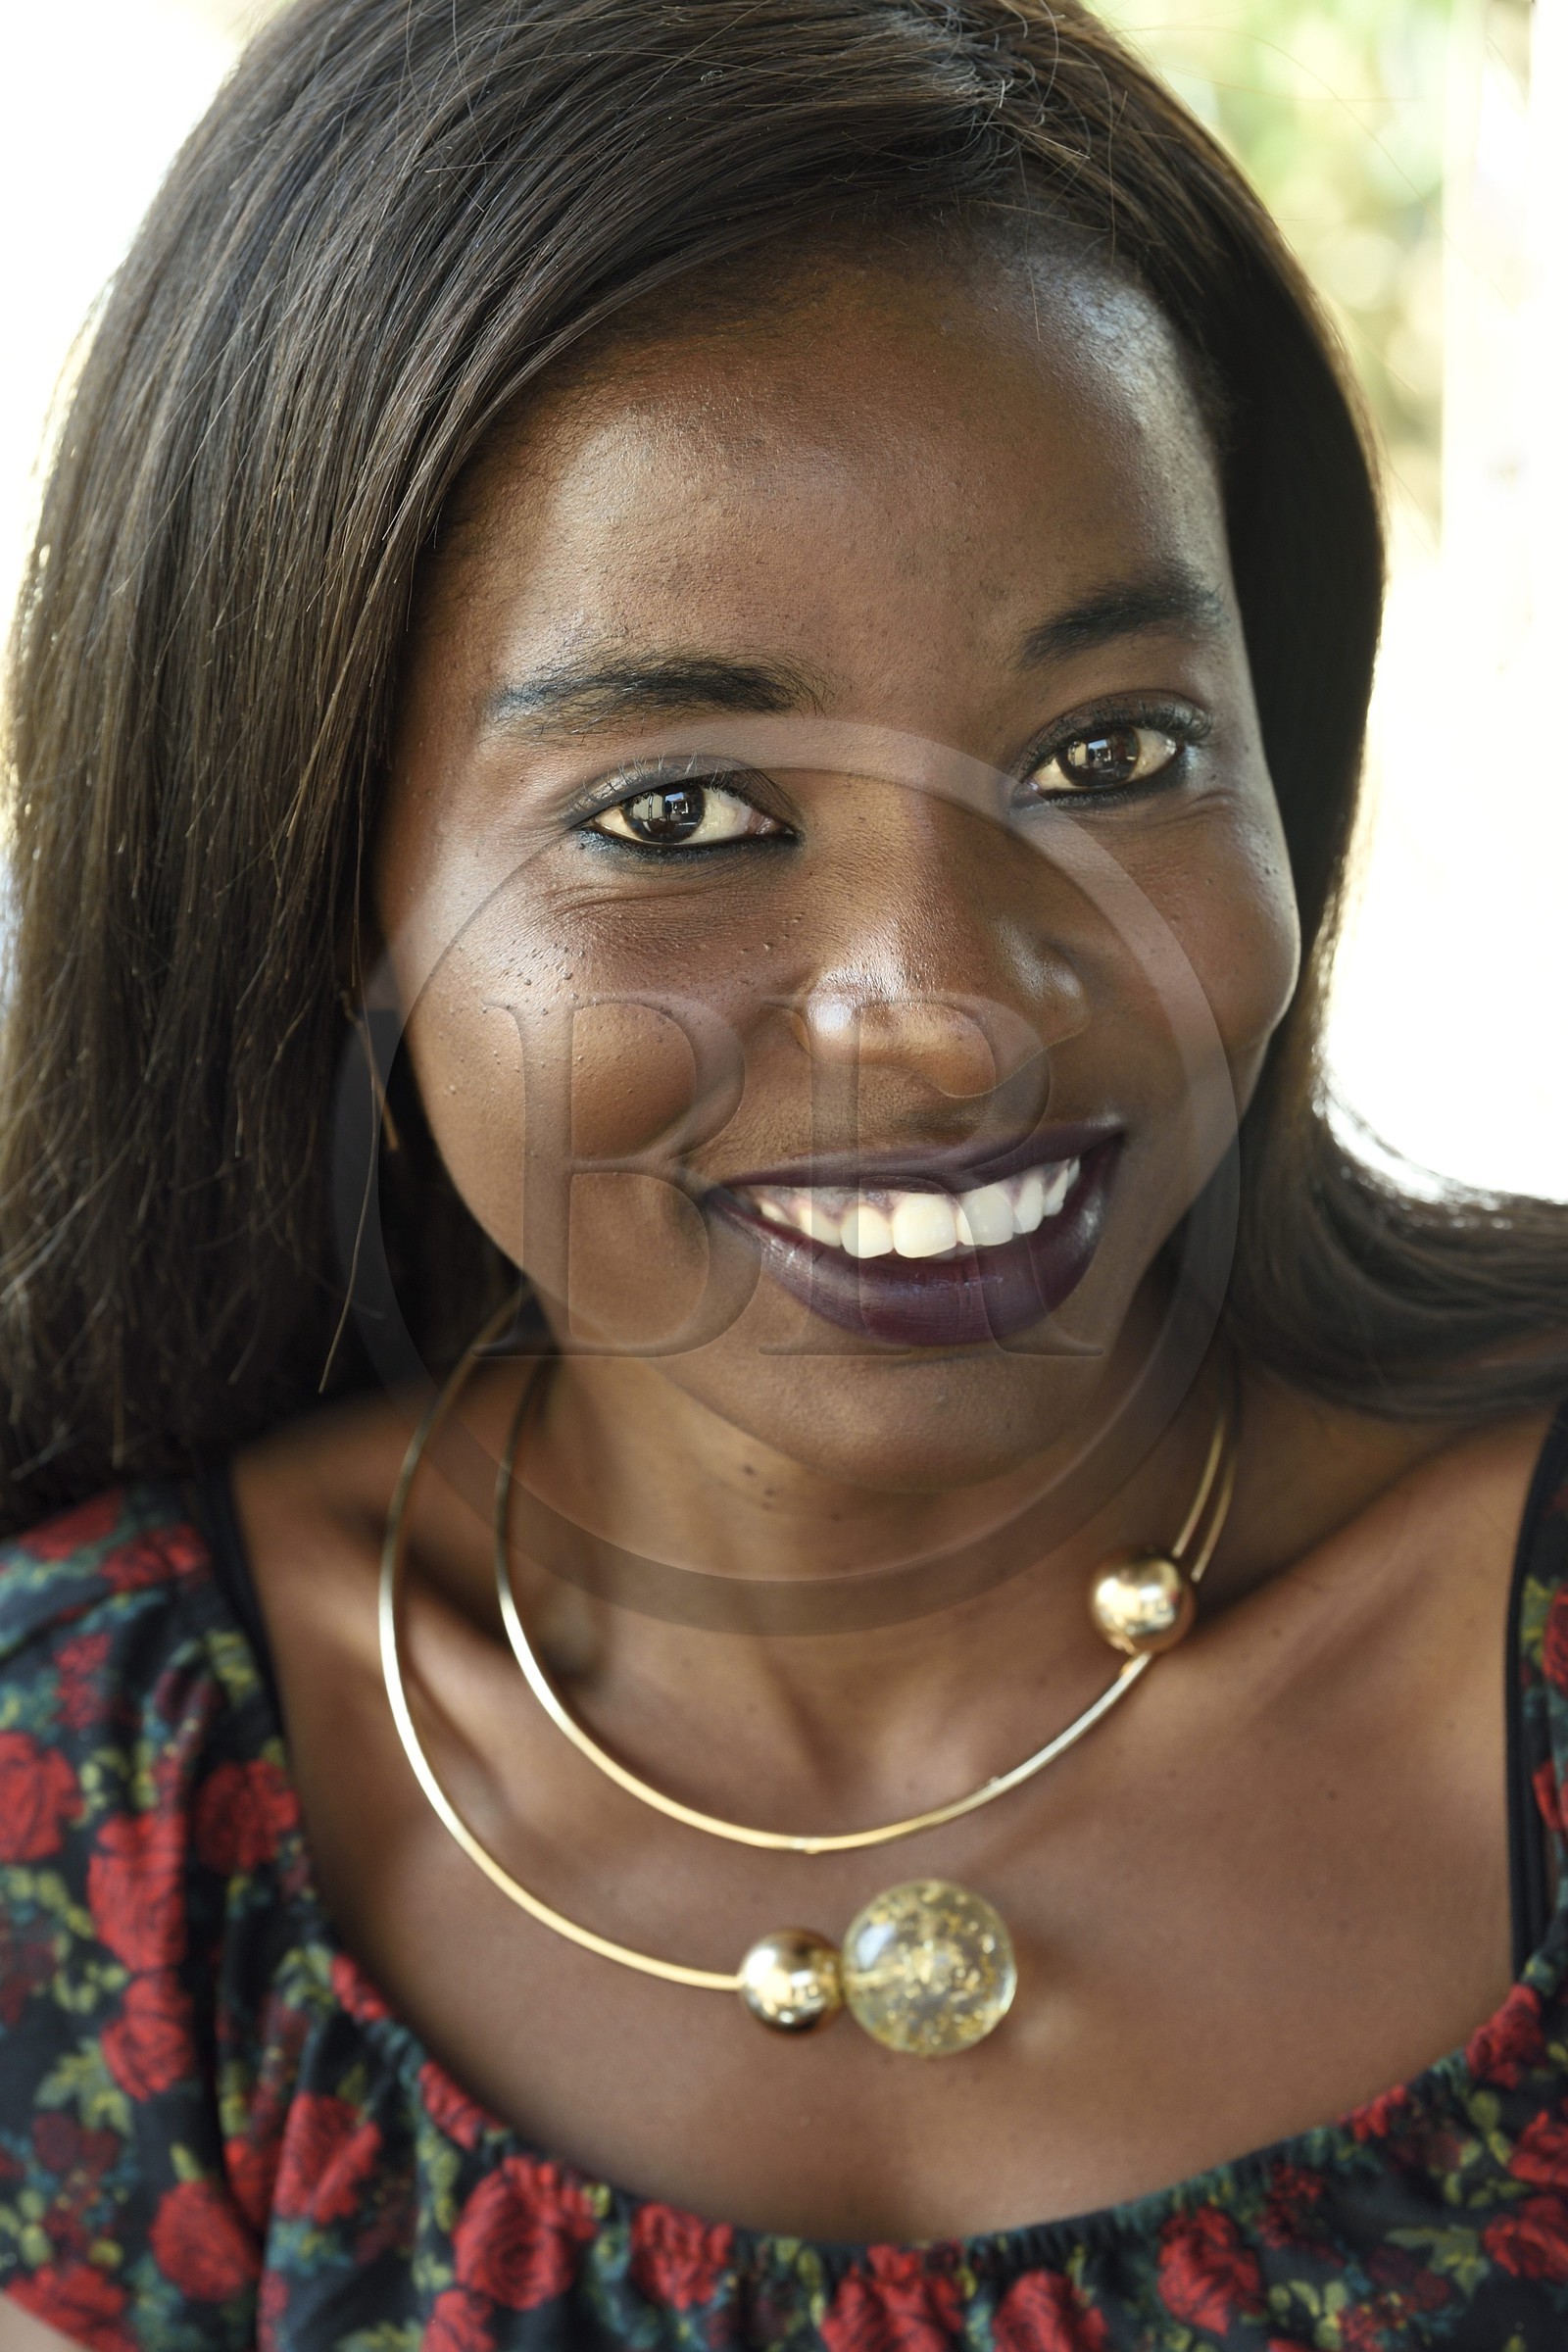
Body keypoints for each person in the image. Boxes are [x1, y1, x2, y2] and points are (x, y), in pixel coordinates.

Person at [3, 0, 1568, 2343]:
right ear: (325, 868)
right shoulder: (109, 1791)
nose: (944, 1009)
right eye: (679, 816)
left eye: (1115, 748)